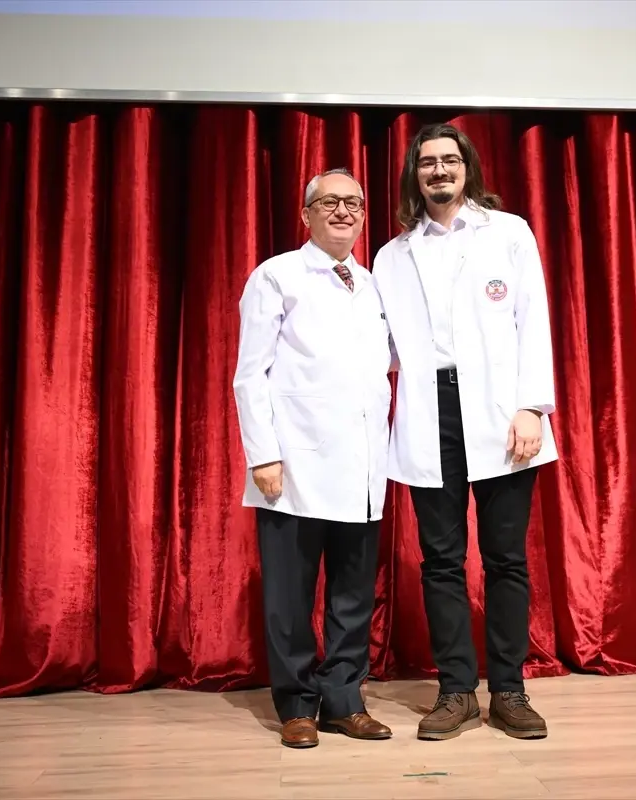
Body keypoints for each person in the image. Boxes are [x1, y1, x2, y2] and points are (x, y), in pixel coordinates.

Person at [372, 123, 558, 742]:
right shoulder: (392, 256)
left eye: (449, 160)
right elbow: (381, 346)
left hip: (501, 412)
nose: (439, 170)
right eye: (427, 162)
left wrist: (532, 406)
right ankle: (456, 691)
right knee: (441, 562)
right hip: (429, 413)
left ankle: (509, 689)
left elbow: (533, 320)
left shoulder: (508, 233)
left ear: (467, 167)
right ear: (415, 175)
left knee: (506, 558)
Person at [232, 168, 394, 749]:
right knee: (289, 595)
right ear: (306, 214)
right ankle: (297, 704)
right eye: (330, 202)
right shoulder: (277, 276)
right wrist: (263, 455)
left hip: (364, 464)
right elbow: (250, 374)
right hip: (294, 463)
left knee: (353, 592)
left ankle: (344, 701)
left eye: (354, 202)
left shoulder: (373, 284)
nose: (344, 211)